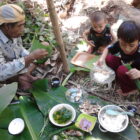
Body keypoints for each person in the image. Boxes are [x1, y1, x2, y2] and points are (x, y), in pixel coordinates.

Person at [0, 4, 48, 90]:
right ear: (7, 26)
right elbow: (1, 73)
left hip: (15, 66)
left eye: (23, 24)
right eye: (19, 25)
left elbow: (20, 49)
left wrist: (34, 57)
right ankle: (20, 79)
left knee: (44, 46)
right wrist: (30, 57)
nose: (23, 29)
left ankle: (23, 77)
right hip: (4, 73)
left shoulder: (13, 33)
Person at [97, 20, 140, 96]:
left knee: (121, 69)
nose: (127, 48)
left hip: (136, 76)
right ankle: (119, 78)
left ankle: (132, 89)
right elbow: (108, 48)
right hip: (125, 66)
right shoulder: (119, 43)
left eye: (131, 45)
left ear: (138, 41)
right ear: (119, 39)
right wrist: (102, 58)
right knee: (109, 59)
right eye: (123, 44)